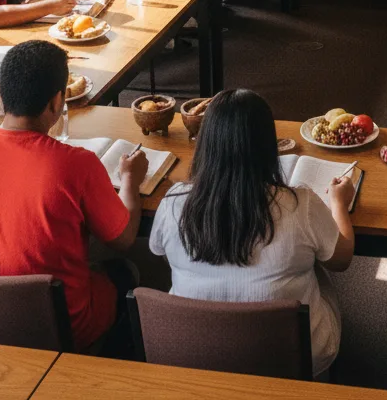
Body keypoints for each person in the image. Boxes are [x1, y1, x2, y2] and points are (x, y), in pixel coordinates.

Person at [0, 41, 147, 351]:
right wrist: (130, 179)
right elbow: (124, 238)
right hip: (58, 325)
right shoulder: (77, 163)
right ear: (57, 101)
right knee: (125, 270)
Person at [149, 89, 354, 376]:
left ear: (206, 143)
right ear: (268, 146)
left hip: (194, 352)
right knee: (318, 268)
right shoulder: (300, 205)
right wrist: (339, 204)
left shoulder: (174, 202)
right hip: (289, 358)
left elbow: (161, 252)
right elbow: (341, 258)